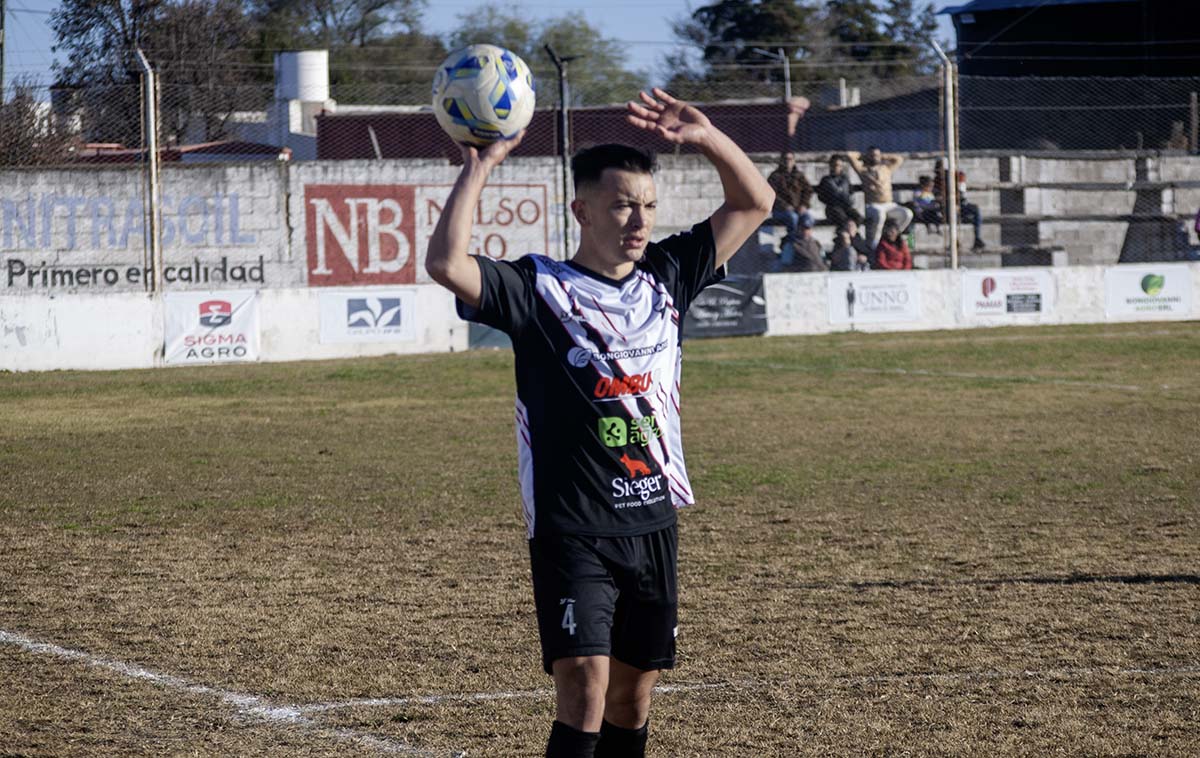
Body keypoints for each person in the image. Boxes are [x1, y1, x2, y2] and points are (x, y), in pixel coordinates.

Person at [424, 87, 774, 758]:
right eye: (621, 204)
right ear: (580, 210)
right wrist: (478, 168)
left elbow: (754, 202)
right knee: (585, 686)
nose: (638, 220)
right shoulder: (536, 289)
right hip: (573, 526)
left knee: (631, 698)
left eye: (646, 205)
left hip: (652, 522)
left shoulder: (669, 274)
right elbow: (446, 264)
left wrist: (706, 139)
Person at [845, 146, 914, 248]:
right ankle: (874, 245)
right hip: (872, 205)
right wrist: (864, 156)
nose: (875, 157)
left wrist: (883, 156)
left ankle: (893, 235)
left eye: (876, 155)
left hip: (889, 204)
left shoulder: (886, 169)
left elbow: (899, 159)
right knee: (879, 214)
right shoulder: (863, 170)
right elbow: (849, 155)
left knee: (907, 214)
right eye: (872, 155)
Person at [766, 151, 814, 269]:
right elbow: (771, 194)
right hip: (781, 210)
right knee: (793, 217)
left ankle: (806, 242)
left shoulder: (799, 175)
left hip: (798, 209)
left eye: (790, 159)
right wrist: (785, 206)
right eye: (785, 159)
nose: (788, 161)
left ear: (794, 161)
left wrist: (804, 205)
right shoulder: (775, 176)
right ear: (781, 161)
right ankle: (794, 244)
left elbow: (808, 191)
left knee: (808, 217)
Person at [933, 159, 986, 251]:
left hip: (960, 204)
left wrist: (957, 203)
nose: (941, 173)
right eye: (939, 170)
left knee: (976, 209)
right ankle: (954, 241)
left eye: (943, 170)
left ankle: (977, 238)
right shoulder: (938, 179)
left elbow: (961, 192)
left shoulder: (959, 176)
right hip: (946, 206)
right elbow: (936, 195)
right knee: (949, 211)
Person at [816, 154, 864, 229]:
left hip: (846, 206)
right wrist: (831, 200)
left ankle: (851, 235)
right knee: (843, 219)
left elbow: (851, 192)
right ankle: (843, 236)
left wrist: (849, 200)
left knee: (858, 218)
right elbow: (820, 196)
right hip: (832, 208)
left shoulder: (845, 179)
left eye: (839, 165)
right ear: (830, 165)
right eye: (834, 165)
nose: (836, 167)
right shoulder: (826, 180)